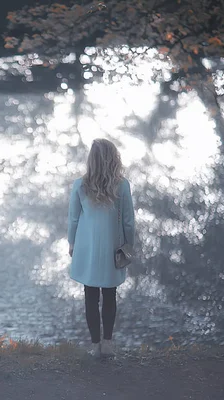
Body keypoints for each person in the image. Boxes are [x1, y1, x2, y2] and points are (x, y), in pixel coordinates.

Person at [68, 138, 135, 358]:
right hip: (112, 248)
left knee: (90, 296)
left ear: (91, 160)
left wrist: (72, 243)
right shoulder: (122, 185)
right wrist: (129, 245)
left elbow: (74, 220)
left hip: (86, 248)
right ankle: (107, 342)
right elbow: (128, 221)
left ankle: (94, 344)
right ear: (113, 158)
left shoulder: (80, 185)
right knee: (110, 295)